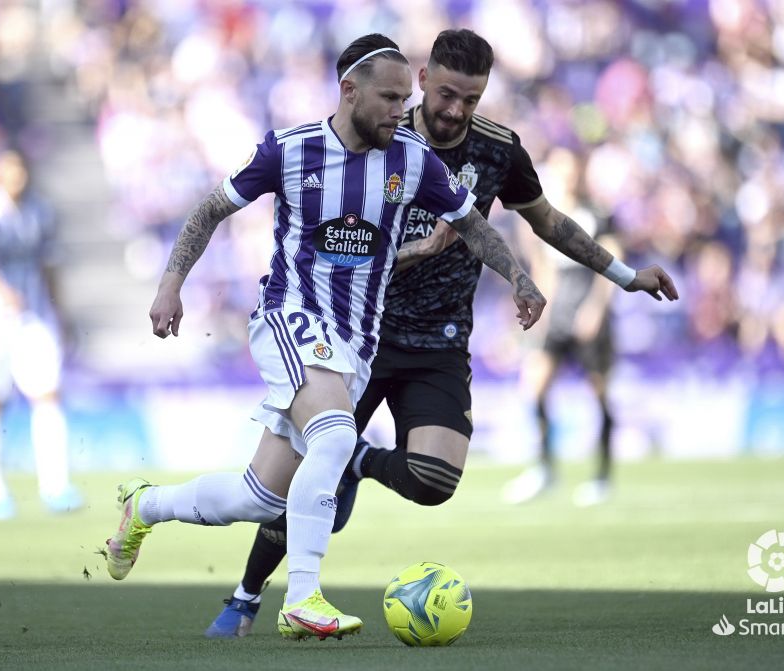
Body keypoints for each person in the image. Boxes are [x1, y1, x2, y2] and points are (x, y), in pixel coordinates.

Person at [204, 28, 679, 639]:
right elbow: (336, 254)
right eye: (448, 93)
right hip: (355, 336)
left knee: (434, 482)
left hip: (439, 341)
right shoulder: (375, 138)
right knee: (293, 480)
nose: (457, 110)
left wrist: (624, 275)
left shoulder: (498, 151)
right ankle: (245, 598)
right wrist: (420, 250)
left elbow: (548, 222)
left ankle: (358, 460)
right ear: (423, 81)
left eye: (472, 99)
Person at [103, 33, 546, 642]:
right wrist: (170, 285)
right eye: (390, 98)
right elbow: (209, 210)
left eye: (405, 98)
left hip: (356, 341)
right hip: (291, 317)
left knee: (258, 498)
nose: (401, 110)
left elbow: (473, 225)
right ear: (349, 91)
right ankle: (303, 598)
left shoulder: (413, 161)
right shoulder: (290, 150)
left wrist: (518, 277)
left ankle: (144, 506)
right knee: (337, 434)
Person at [0, 149, 83, 520]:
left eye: (21, 168)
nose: (17, 176)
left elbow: (50, 266)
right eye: (9, 168)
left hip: (33, 316)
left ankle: (56, 485)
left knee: (47, 395)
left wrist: (59, 311)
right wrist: (3, 293)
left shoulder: (41, 212)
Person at [502, 218, 623, 507]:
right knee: (535, 386)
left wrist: (596, 308)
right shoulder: (549, 216)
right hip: (557, 316)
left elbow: (614, 259)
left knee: (600, 395)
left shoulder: (599, 215)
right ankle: (544, 467)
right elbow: (544, 269)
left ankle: (602, 476)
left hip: (588, 317)